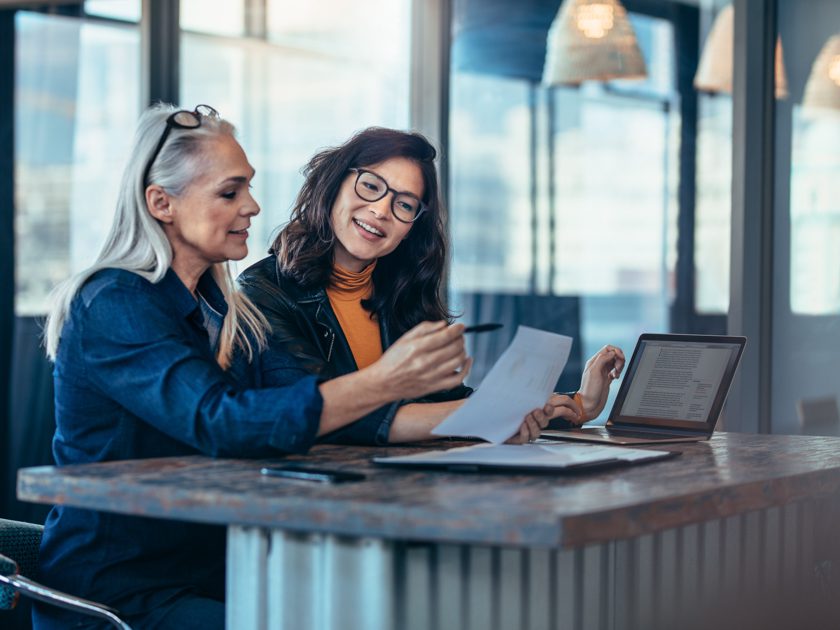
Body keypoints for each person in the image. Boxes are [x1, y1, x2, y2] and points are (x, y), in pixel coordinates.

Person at [35, 105, 523, 629]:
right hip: (123, 594)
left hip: (215, 570)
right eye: (230, 192)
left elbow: (317, 405)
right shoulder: (113, 302)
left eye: (248, 188)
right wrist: (386, 380)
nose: (252, 206)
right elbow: (221, 421)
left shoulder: (225, 310)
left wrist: (495, 418)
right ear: (162, 203)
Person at [238, 127, 626, 444]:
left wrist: (579, 404)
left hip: (401, 491)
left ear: (411, 228)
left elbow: (446, 403)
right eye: (371, 186)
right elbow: (327, 413)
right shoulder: (261, 293)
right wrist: (492, 416)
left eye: (404, 204)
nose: (381, 210)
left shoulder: (399, 295)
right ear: (334, 184)